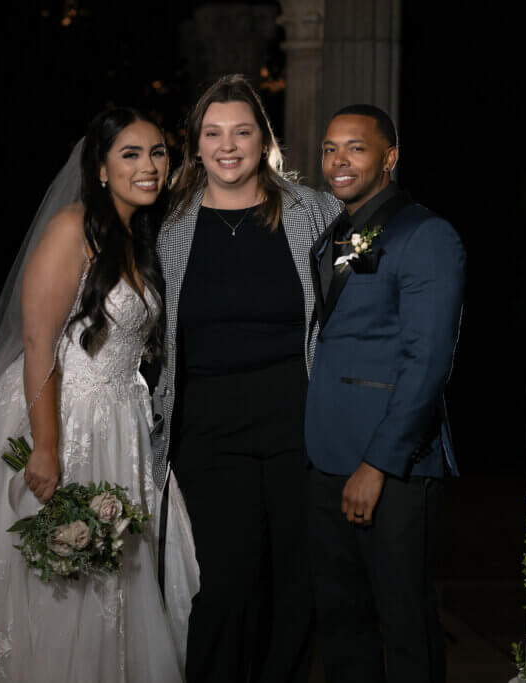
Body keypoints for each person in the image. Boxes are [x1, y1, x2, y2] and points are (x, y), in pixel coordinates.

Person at [0, 108, 197, 683]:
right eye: (130, 154)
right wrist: (46, 445)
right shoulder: (73, 228)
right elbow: (37, 339)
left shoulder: (139, 236)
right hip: (65, 417)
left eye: (158, 153)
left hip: (122, 421)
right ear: (100, 168)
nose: (149, 166)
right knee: (59, 586)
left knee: (116, 580)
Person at [151, 73, 342, 683]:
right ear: (196, 144)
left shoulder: (314, 211)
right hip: (208, 430)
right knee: (228, 584)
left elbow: (372, 271)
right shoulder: (167, 223)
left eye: (241, 131)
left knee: (296, 584)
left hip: (299, 424)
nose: (227, 145)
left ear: (264, 140)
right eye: (213, 133)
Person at [305, 104, 465, 683]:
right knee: (342, 624)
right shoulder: (335, 233)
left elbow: (428, 363)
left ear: (389, 158)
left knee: (404, 626)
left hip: (393, 466)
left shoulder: (426, 234)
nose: (338, 160)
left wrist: (377, 463)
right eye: (329, 148)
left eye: (355, 147)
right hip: (325, 456)